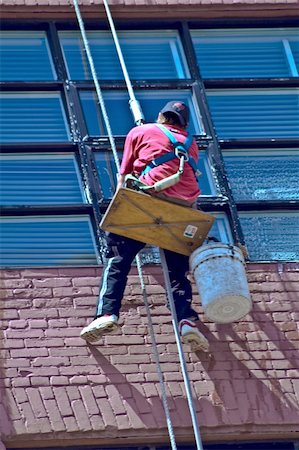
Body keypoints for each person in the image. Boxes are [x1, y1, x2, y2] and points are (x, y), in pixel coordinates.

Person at [80, 101, 209, 352]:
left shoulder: (139, 132)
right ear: (184, 124)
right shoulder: (191, 143)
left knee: (118, 258)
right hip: (181, 211)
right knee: (176, 271)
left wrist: (121, 208)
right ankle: (186, 321)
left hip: (147, 202)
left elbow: (124, 173)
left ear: (161, 116)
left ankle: (107, 314)